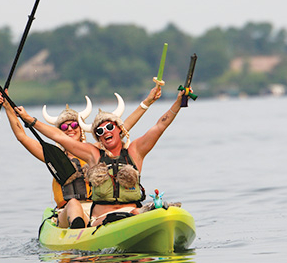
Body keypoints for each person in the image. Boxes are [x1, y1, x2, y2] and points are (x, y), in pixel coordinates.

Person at [15, 89, 186, 227]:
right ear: (98, 138)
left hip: (133, 212)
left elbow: (161, 125)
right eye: (99, 131)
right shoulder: (93, 154)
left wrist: (178, 103)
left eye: (110, 127)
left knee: (143, 212)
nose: (105, 132)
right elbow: (59, 138)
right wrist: (30, 119)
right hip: (102, 218)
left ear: (120, 129)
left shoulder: (135, 151)